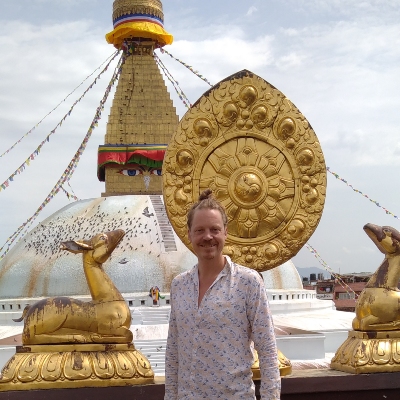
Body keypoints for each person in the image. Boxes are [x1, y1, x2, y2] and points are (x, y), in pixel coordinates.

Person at [164, 189, 281, 399]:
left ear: (225, 232)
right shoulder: (179, 286)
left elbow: (268, 350)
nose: (208, 237)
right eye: (200, 230)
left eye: (214, 230)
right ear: (189, 233)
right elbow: (173, 353)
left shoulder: (248, 282)